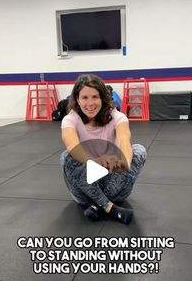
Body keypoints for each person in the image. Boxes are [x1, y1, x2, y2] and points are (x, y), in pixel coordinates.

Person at [60, 74, 146, 224]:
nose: (90, 103)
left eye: (95, 97)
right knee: (66, 156)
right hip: (85, 191)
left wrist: (124, 160)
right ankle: (108, 207)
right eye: (85, 98)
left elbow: (124, 139)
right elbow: (72, 146)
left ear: (103, 98)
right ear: (77, 100)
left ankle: (99, 206)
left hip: (115, 187)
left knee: (139, 150)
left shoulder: (117, 117)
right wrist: (95, 161)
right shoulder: (70, 119)